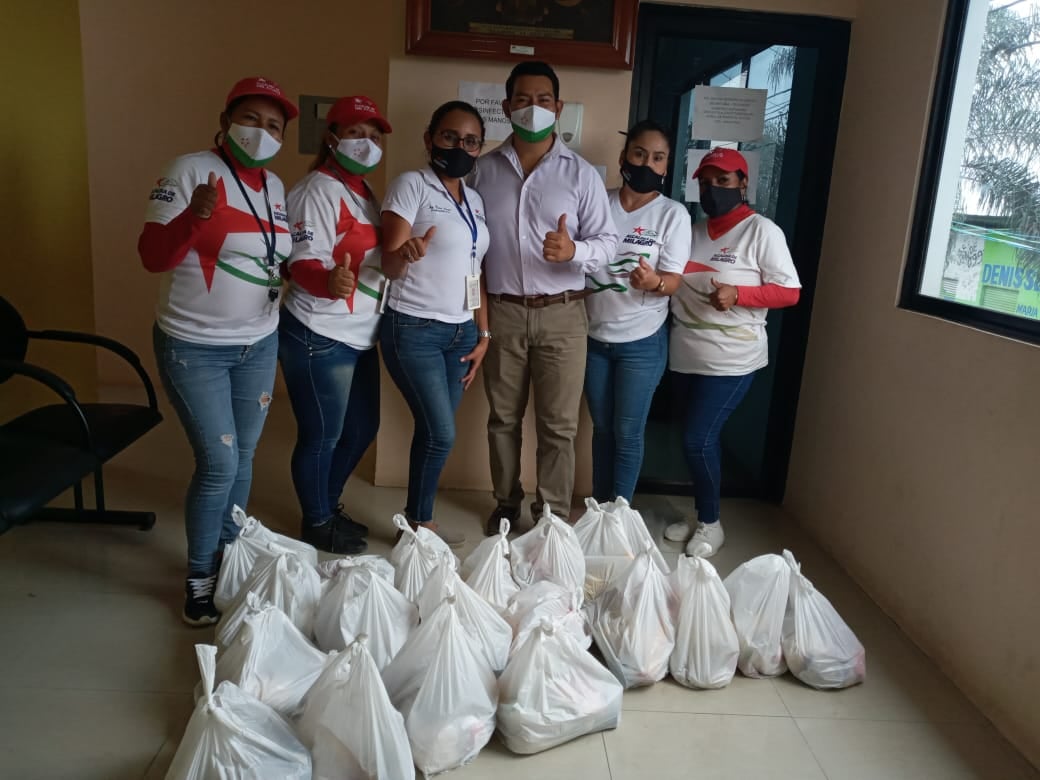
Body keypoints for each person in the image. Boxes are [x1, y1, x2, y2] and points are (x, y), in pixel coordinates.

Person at [138, 76, 297, 626]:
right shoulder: (188, 171)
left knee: (244, 456)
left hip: (259, 341)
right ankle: (201, 575)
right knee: (219, 462)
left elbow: (274, 259)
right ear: (226, 122)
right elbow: (152, 257)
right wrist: (194, 217)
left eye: (274, 125)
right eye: (251, 119)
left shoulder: (275, 186)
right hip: (194, 346)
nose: (262, 132)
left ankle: (231, 555)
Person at [473, 60, 618, 536]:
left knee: (559, 426)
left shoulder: (580, 174)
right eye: (522, 99)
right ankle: (505, 503)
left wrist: (575, 251)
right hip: (503, 312)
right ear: (506, 106)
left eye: (542, 100)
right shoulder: (483, 171)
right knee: (502, 419)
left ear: (558, 107)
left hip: (563, 314)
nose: (532, 108)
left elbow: (608, 243)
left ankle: (552, 514)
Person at [664, 147, 801, 557]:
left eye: (723, 181)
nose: (713, 190)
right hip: (685, 353)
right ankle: (698, 514)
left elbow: (790, 292)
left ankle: (710, 523)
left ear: (743, 184)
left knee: (698, 438)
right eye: (706, 183)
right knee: (691, 440)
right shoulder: (691, 231)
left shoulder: (762, 232)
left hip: (732, 358)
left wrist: (740, 294)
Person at [279, 96, 392, 555]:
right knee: (322, 435)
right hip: (319, 332)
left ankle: (326, 503)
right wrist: (328, 280)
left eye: (374, 136)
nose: (367, 143)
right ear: (332, 139)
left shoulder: (363, 191)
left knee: (361, 429)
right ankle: (317, 520)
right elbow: (300, 262)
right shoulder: (316, 191)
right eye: (355, 133)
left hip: (359, 333)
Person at [379, 101, 491, 547]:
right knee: (441, 432)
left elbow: (476, 271)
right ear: (430, 139)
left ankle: (417, 522)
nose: (460, 147)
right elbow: (388, 264)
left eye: (471, 141)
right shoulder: (411, 185)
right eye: (450, 137)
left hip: (461, 333)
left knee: (433, 431)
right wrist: (404, 254)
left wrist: (483, 333)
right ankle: (418, 525)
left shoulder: (474, 200)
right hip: (414, 329)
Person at [584, 120, 691, 503]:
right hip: (593, 338)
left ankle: (620, 516)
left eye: (658, 158)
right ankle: (599, 511)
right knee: (602, 430)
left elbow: (674, 281)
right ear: (623, 157)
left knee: (628, 432)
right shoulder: (598, 203)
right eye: (640, 154)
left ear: (666, 166)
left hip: (642, 343)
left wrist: (654, 282)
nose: (647, 163)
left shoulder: (673, 215)